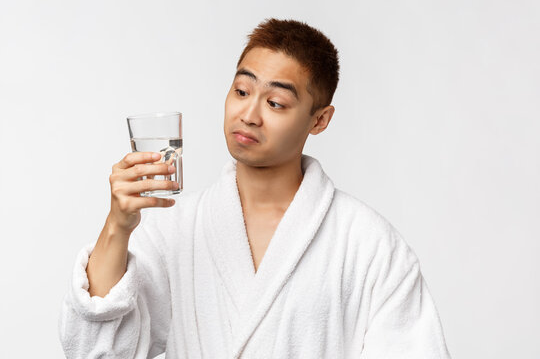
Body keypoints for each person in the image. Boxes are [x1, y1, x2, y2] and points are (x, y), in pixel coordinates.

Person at [58, 18, 452, 358]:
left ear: (319, 120)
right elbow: (95, 351)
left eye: (276, 103)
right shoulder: (176, 231)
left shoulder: (369, 246)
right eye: (242, 92)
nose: (248, 114)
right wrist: (118, 225)